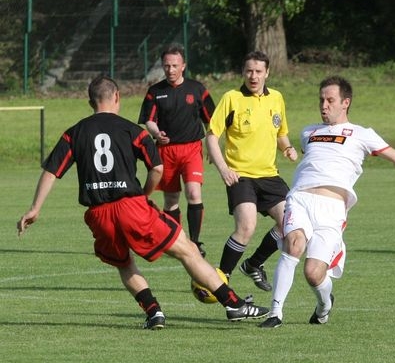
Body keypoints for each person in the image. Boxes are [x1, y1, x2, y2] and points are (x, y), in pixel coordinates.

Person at [17, 76, 268, 330]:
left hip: (98, 214)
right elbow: (157, 168)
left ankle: (153, 312)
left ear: (90, 102)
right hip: (131, 206)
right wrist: (145, 194)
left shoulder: (74, 133)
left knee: (124, 263)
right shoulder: (132, 130)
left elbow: (51, 171)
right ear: (117, 97)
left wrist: (35, 208)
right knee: (187, 249)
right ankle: (233, 304)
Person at [258, 75, 395, 329]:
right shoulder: (309, 132)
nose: (324, 105)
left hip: (332, 209)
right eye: (321, 100)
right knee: (293, 244)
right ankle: (275, 313)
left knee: (313, 273)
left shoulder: (362, 134)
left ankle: (324, 305)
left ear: (345, 103)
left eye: (330, 100)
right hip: (300, 199)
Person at [206, 51, 298, 291]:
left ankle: (254, 264)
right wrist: (223, 169)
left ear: (267, 72)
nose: (253, 76)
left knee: (291, 223)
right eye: (249, 71)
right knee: (246, 226)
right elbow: (212, 136)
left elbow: (280, 133)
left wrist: (287, 148)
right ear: (243, 72)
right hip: (241, 176)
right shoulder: (231, 98)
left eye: (258, 71)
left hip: (269, 175)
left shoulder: (276, 98)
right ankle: (221, 280)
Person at [138, 43, 215, 258]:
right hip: (166, 151)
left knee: (193, 193)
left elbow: (211, 121)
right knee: (171, 199)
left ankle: (195, 242)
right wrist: (157, 133)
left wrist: (213, 146)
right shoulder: (155, 92)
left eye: (174, 65)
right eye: (166, 66)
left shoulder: (197, 89)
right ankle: (175, 242)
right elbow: (149, 121)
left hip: (191, 149)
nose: (170, 70)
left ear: (183, 66)